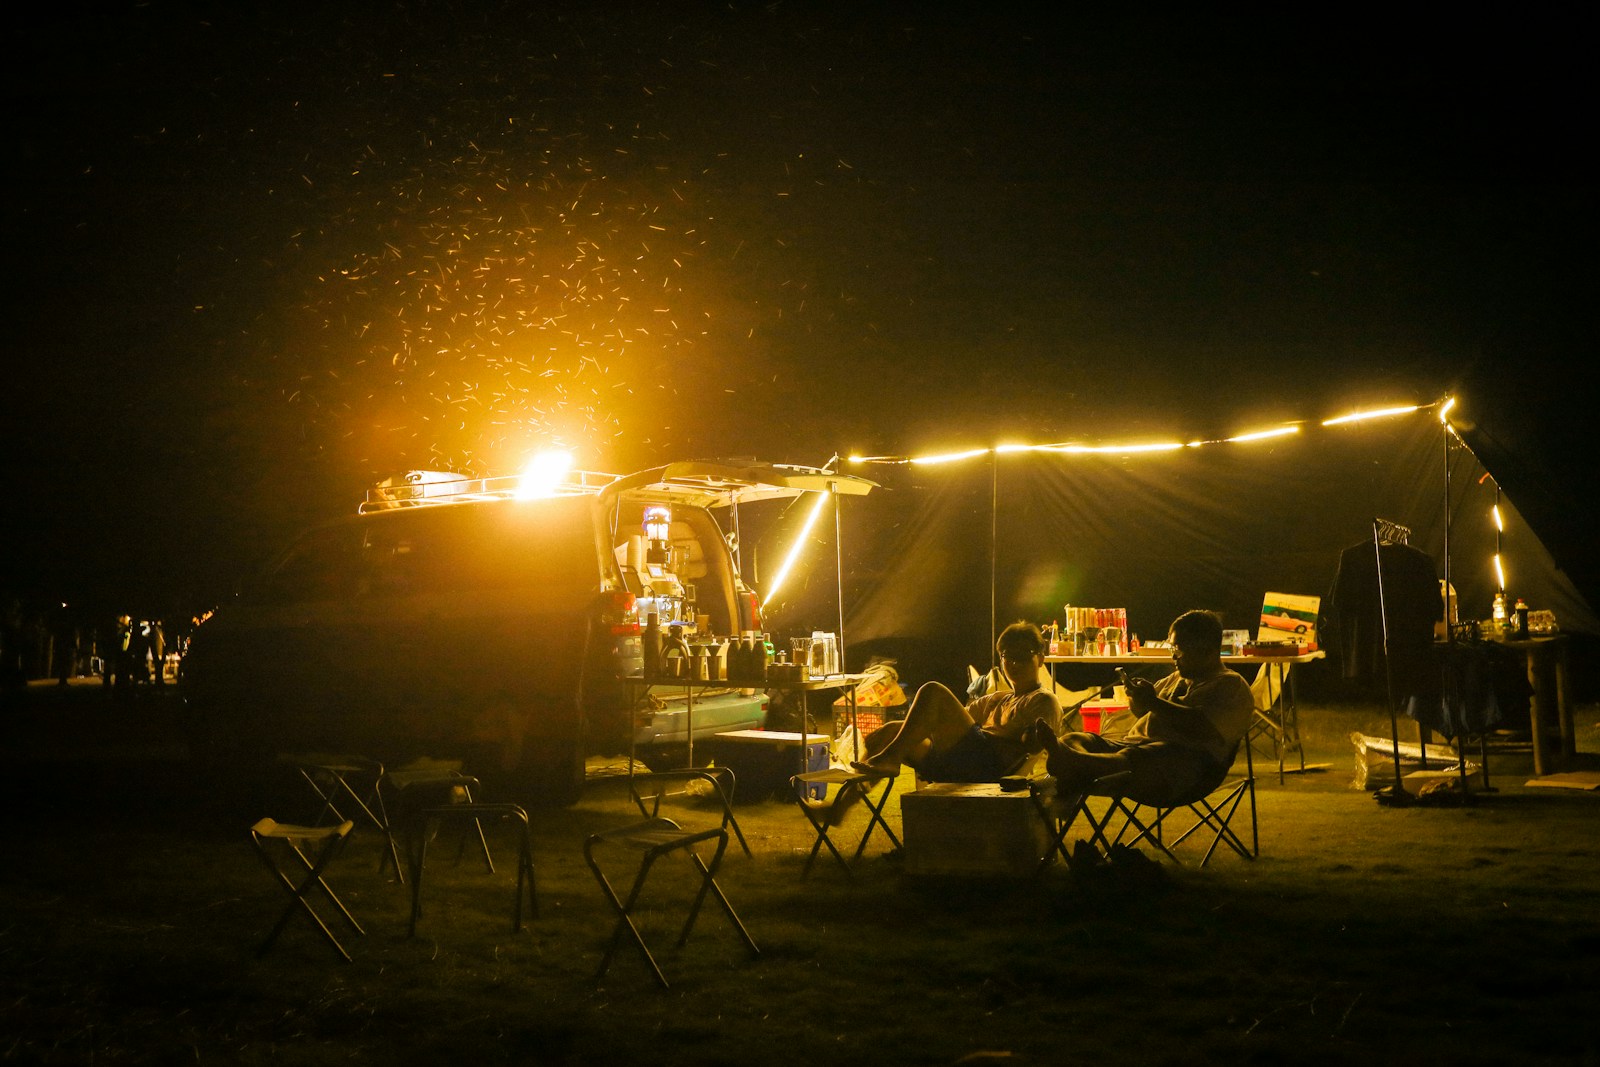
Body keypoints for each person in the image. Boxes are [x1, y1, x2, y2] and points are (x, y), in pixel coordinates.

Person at [1031, 609, 1254, 807]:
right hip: (1132, 749)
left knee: (1132, 759)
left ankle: (1069, 766)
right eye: (1172, 647)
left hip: (1181, 769)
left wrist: (1154, 702)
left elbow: (1203, 727)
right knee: (1080, 739)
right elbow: (1145, 713)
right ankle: (1069, 759)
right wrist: (1138, 701)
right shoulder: (1175, 678)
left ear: (1206, 649)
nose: (1173, 656)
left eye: (1179, 649)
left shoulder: (1229, 685)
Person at [852, 621, 1062, 784]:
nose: (1014, 663)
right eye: (1008, 656)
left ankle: (890, 758)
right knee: (888, 732)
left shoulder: (1043, 700)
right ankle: (841, 806)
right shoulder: (997, 699)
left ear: (1041, 658)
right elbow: (950, 725)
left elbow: (1037, 745)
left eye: (1023, 656)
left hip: (989, 769)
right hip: (959, 762)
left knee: (933, 691)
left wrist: (1031, 736)